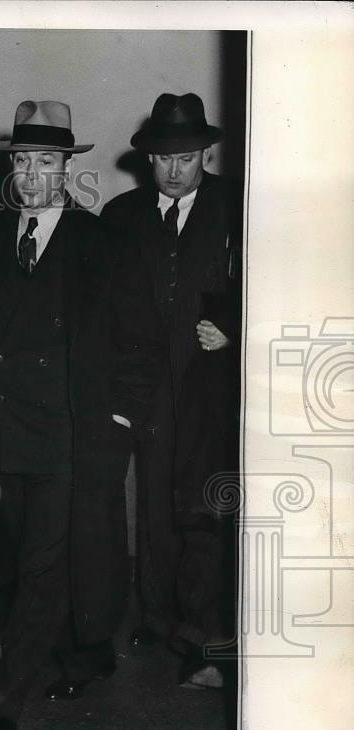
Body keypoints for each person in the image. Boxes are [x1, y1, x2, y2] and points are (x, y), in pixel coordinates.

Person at [0, 100, 162, 730]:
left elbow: (140, 340)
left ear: (67, 167)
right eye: (22, 162)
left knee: (42, 567)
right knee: (26, 563)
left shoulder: (98, 242)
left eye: (46, 161)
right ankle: (86, 654)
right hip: (5, 437)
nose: (32, 175)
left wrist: (119, 419)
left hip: (72, 438)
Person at [100, 92, 242, 688]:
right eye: (164, 158)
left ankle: (202, 638)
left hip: (212, 386)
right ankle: (157, 620)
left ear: (206, 153)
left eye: (187, 157)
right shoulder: (121, 216)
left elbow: (275, 285)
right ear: (148, 158)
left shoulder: (238, 207)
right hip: (148, 386)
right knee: (155, 507)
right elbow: (102, 306)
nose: (176, 169)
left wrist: (233, 328)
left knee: (204, 510)